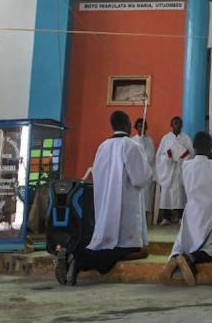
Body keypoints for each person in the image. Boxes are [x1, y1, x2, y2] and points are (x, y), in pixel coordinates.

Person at [56, 111, 152, 285]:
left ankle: (75, 255)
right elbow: (141, 178)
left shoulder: (102, 147)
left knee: (105, 244)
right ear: (126, 124)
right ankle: (78, 259)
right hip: (125, 210)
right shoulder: (131, 146)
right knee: (125, 249)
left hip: (106, 207)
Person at [160, 131, 212, 286]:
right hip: (210, 215)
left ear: (194, 147)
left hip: (191, 213)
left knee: (184, 243)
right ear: (210, 148)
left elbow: (185, 185)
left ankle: (174, 260)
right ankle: (189, 260)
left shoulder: (186, 165)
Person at [156, 116, 193, 224]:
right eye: (175, 123)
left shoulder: (186, 138)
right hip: (168, 169)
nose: (177, 125)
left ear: (182, 125)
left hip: (180, 169)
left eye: (179, 123)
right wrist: (168, 155)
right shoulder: (165, 138)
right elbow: (159, 156)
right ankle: (166, 217)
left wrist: (183, 156)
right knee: (167, 193)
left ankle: (181, 216)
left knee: (181, 194)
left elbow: (191, 154)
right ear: (171, 125)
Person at [131, 118, 156, 225]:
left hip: (147, 173)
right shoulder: (132, 140)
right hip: (136, 173)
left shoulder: (149, 140)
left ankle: (146, 221)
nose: (142, 128)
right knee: (136, 199)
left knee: (146, 199)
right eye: (139, 126)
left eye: (143, 126)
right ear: (136, 127)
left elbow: (151, 156)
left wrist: (144, 150)